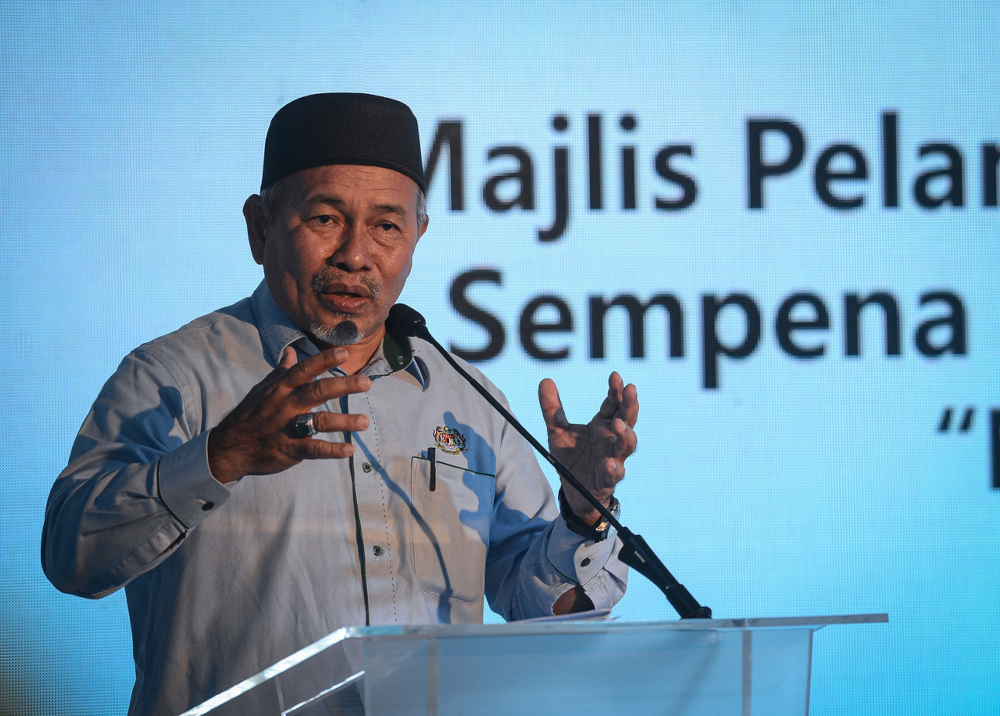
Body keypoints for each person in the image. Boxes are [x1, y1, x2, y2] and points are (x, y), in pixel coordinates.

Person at [42, 93, 637, 716]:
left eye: (386, 226)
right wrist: (221, 455)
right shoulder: (173, 376)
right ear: (260, 226)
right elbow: (70, 556)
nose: (356, 254)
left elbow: (543, 608)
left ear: (417, 236)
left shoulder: (468, 398)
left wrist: (581, 515)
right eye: (325, 219)